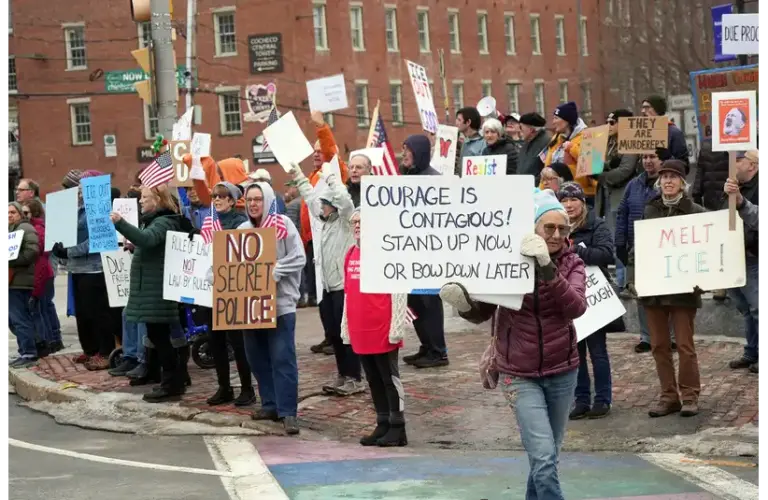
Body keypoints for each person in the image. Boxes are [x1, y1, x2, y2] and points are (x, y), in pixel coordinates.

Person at [439, 188, 587, 500]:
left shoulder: (573, 263)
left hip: (563, 371)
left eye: (562, 228)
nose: (556, 234)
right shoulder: (506, 260)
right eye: (549, 227)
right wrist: (463, 304)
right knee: (544, 457)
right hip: (518, 373)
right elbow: (483, 313)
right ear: (533, 228)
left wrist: (548, 268)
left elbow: (576, 307)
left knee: (545, 457)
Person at [110, 184, 191, 402]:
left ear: (157, 200)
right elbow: (150, 244)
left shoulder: (163, 222)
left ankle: (172, 384)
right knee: (157, 337)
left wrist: (121, 223)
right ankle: (168, 379)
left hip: (157, 293)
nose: (140, 201)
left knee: (162, 339)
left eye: (144, 197)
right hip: (153, 291)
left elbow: (147, 239)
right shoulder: (158, 221)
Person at [239, 181, 306, 435]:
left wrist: (275, 271)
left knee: (282, 359)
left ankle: (288, 411)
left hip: (280, 305)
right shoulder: (242, 229)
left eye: (258, 199)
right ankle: (270, 404)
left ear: (267, 200)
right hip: (250, 307)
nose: (253, 204)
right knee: (256, 358)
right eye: (249, 200)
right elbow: (230, 260)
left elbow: (299, 257)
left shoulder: (282, 225)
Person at [640, 160, 704, 418]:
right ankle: (669, 396)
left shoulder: (695, 211)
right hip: (654, 288)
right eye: (664, 177)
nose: (668, 181)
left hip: (683, 289)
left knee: (685, 346)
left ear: (682, 183)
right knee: (659, 345)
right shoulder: (650, 210)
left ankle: (690, 396)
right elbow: (642, 246)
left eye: (673, 177)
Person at [291, 163, 362, 395]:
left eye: (324, 203)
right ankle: (343, 375)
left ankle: (355, 378)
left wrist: (333, 180)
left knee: (347, 335)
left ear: (332, 205)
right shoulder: (324, 223)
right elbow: (311, 199)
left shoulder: (345, 220)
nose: (320, 206)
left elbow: (345, 201)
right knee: (334, 334)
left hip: (344, 287)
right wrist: (300, 177)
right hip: (328, 288)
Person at [342, 208, 408, 447]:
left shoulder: (386, 250)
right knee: (372, 378)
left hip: (382, 326)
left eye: (361, 221)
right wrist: (345, 327)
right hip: (361, 329)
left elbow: (399, 288)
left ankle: (398, 426)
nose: (357, 225)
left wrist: (396, 326)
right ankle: (382, 421)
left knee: (389, 377)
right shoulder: (350, 253)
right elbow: (348, 294)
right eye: (354, 222)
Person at [557, 183, 615, 420]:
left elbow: (606, 253)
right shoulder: (556, 227)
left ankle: (602, 399)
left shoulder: (596, 224)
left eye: (574, 200)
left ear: (583, 202)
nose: (569, 205)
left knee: (598, 351)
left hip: (594, 297)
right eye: (565, 201)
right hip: (568, 295)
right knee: (574, 352)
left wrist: (576, 251)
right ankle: (580, 400)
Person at [195, 182, 255, 406]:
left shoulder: (240, 223)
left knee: (238, 343)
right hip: (211, 290)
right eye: (214, 196)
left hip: (233, 291)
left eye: (222, 196)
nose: (217, 200)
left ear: (232, 200)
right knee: (216, 341)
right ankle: (224, 387)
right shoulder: (209, 222)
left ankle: (247, 389)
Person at [51, 171, 117, 371]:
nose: (77, 193)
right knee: (83, 313)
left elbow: (95, 242)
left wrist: (68, 251)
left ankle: (105, 352)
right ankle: (90, 349)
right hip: (77, 268)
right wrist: (59, 247)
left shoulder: (98, 210)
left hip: (94, 268)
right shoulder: (77, 209)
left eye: (80, 189)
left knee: (98, 312)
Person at [615, 148, 676, 353]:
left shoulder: (668, 184)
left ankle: (672, 336)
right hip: (637, 248)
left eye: (653, 157)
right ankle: (647, 337)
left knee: (669, 293)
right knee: (642, 295)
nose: (648, 161)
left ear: (662, 160)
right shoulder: (633, 184)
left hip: (664, 247)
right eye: (644, 157)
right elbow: (622, 213)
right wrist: (620, 242)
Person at [400, 135, 449, 368]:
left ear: (418, 152)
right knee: (415, 302)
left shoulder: (433, 179)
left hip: (430, 255)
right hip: (411, 253)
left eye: (406, 150)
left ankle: (438, 351)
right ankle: (426, 346)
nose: (403, 155)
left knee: (429, 303)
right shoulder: (408, 178)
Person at [300, 112, 351, 311]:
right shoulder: (313, 176)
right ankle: (329, 336)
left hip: (330, 237)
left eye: (319, 151)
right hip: (314, 242)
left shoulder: (336, 171)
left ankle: (338, 338)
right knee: (320, 292)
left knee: (332, 291)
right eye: (314, 151)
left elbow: (331, 152)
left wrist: (321, 127)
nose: (315, 154)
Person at [722, 150, 760, 374]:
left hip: (753, 254)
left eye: (738, 160)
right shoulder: (732, 185)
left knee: (757, 309)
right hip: (733, 255)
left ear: (752, 165)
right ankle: (751, 351)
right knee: (745, 309)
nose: (733, 163)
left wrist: (741, 201)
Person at [596, 109, 636, 294]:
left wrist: (603, 176)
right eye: (607, 121)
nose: (608, 125)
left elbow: (626, 169)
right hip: (606, 197)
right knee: (613, 238)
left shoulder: (630, 143)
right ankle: (620, 280)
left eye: (612, 122)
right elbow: (601, 164)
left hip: (622, 196)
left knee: (622, 239)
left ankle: (624, 280)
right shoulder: (608, 143)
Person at [21, 199, 63, 355]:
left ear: (34, 212)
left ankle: (49, 341)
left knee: (41, 308)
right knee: (43, 308)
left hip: (43, 274)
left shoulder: (38, 229)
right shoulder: (34, 228)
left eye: (26, 212)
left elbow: (40, 253)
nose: (23, 215)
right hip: (43, 273)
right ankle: (52, 340)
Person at [543, 101, 597, 206]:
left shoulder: (588, 136)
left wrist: (572, 148)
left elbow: (592, 165)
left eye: (556, 118)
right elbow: (547, 169)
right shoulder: (556, 138)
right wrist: (542, 192)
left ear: (567, 121)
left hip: (581, 195)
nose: (553, 122)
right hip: (557, 195)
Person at [8, 201, 41, 367]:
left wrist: (12, 261)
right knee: (13, 320)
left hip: (19, 282)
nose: (9, 215)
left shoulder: (25, 229)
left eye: (13, 212)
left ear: (20, 214)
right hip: (11, 281)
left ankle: (29, 353)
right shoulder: (10, 230)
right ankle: (27, 348)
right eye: (7, 213)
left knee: (20, 319)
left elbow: (32, 252)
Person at [640, 96, 689, 171]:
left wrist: (666, 157)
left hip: (665, 179)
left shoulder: (674, 133)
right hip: (645, 180)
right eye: (642, 108)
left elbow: (684, 165)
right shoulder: (640, 132)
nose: (643, 111)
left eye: (647, 107)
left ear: (657, 109)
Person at [517, 113, 551, 184]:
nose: (519, 130)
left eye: (521, 127)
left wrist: (531, 183)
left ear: (531, 130)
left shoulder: (547, 143)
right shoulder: (526, 143)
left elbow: (547, 169)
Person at [455, 107, 487, 175]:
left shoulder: (483, 143)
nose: (456, 123)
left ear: (468, 122)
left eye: (459, 120)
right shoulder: (465, 142)